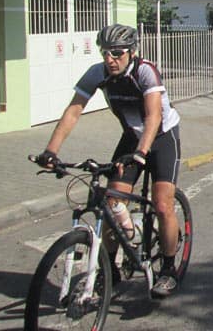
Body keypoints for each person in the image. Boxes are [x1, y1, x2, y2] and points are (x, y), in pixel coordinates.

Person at [35, 24, 182, 299]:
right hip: (131, 136)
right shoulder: (97, 73)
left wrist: (142, 152)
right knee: (112, 203)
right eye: (105, 52)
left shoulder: (145, 71)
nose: (110, 59)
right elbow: (73, 111)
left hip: (162, 136)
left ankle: (169, 269)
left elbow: (153, 116)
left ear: (132, 52)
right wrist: (50, 151)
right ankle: (110, 270)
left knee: (163, 205)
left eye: (117, 53)